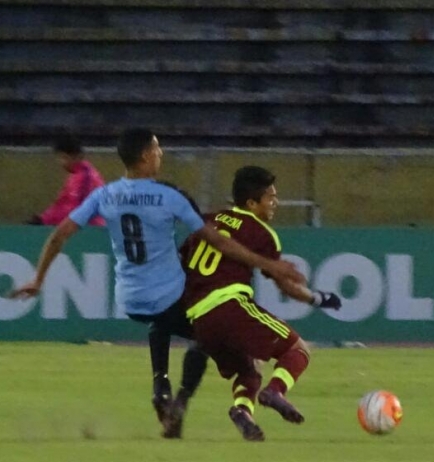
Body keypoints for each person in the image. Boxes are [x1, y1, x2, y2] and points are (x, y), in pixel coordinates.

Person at [9, 129, 304, 438]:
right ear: (146, 156)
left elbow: (60, 234)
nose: (162, 154)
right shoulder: (168, 196)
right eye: (158, 149)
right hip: (172, 294)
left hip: (131, 299)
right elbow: (217, 240)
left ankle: (160, 385)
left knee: (161, 321)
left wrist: (39, 278)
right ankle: (181, 400)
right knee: (209, 332)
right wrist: (270, 264)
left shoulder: (103, 194)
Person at [178, 165, 341, 441]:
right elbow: (285, 285)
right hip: (229, 305)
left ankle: (242, 411)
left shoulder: (207, 220)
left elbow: (181, 262)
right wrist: (319, 298)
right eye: (270, 198)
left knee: (250, 367)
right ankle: (275, 391)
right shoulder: (261, 233)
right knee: (297, 350)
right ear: (252, 203)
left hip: (200, 321)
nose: (275, 203)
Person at [27, 131, 106, 227]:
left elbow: (79, 210)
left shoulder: (86, 178)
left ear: (77, 157)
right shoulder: (75, 176)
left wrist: (48, 221)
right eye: (60, 158)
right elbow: (61, 202)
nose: (61, 162)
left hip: (89, 230)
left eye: (64, 158)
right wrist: (43, 218)